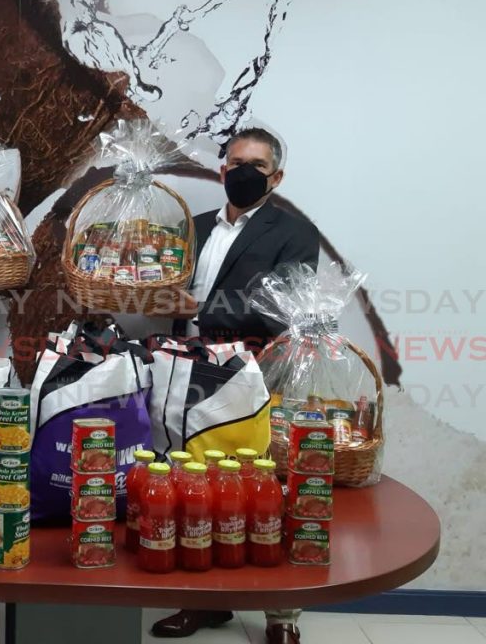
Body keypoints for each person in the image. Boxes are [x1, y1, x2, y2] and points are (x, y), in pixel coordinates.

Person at [157, 127, 319, 644]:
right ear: (222, 168)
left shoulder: (294, 233)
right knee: (197, 489)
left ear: (277, 177)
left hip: (254, 377)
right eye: (235, 162)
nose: (243, 172)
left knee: (267, 492)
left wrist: (203, 308)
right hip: (190, 373)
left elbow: (283, 310)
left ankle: (281, 616)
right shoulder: (195, 227)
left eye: (257, 165)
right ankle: (204, 601)